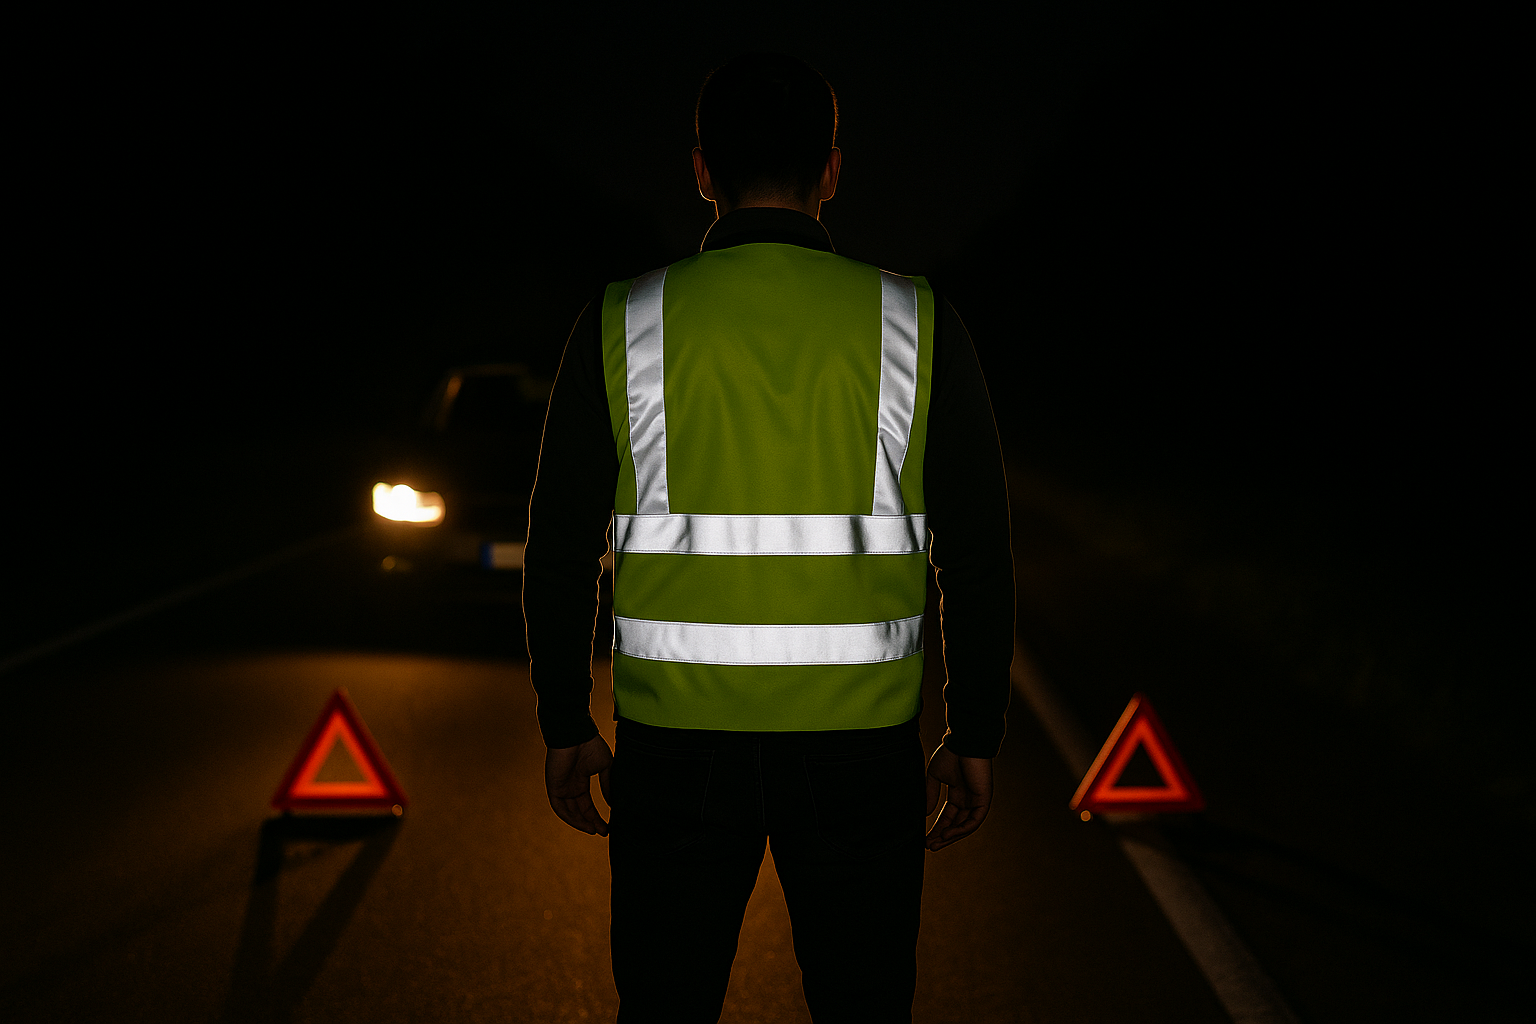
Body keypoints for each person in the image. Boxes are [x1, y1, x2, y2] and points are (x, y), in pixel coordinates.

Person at [523, 52, 1014, 1023]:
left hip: (675, 752)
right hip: (861, 752)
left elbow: (559, 541)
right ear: (832, 170)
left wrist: (563, 714)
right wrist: (976, 729)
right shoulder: (919, 321)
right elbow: (978, 547)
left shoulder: (623, 320)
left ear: (701, 170)